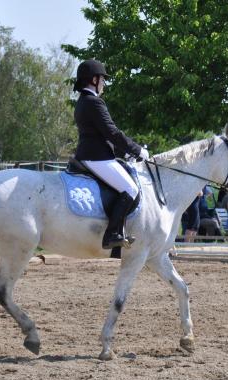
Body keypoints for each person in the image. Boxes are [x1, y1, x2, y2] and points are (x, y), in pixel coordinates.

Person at [73, 59, 149, 249]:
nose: (104, 84)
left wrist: (125, 153)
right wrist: (137, 150)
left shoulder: (83, 101)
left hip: (89, 154)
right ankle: (112, 234)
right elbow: (112, 132)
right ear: (94, 80)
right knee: (131, 189)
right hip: (96, 157)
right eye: (103, 79)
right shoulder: (94, 102)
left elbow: (101, 134)